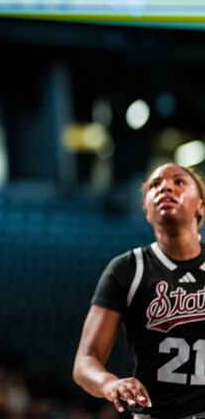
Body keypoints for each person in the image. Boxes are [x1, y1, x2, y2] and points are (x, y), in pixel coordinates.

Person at [73, 163, 205, 418]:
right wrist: (110, 384)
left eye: (179, 182)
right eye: (155, 185)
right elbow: (85, 361)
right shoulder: (127, 268)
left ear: (200, 205)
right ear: (147, 210)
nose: (165, 186)